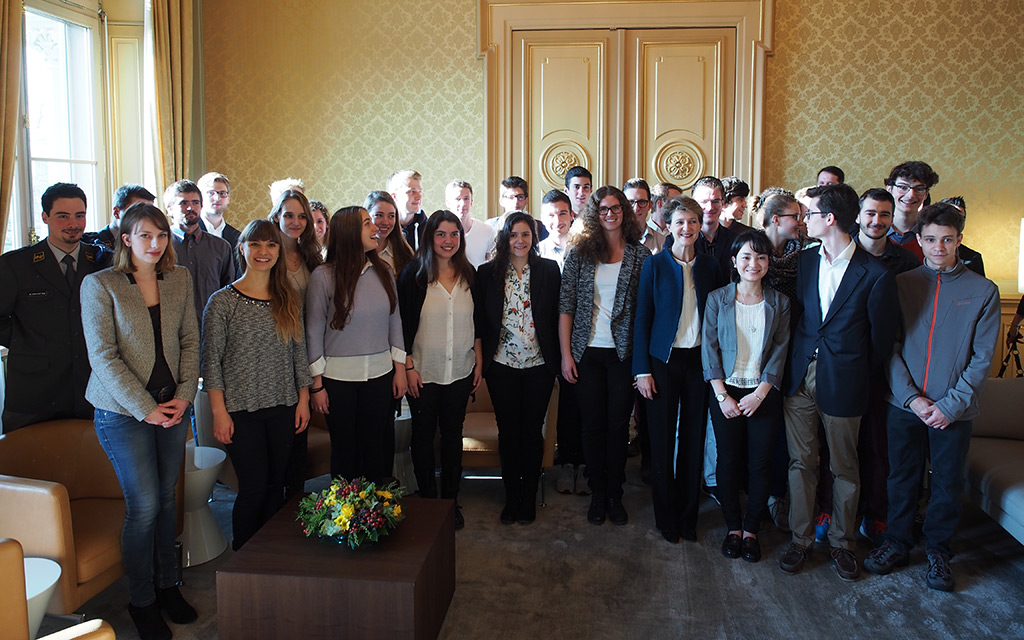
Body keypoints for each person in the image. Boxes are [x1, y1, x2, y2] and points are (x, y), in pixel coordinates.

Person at [864, 203, 1000, 592]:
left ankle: (939, 551)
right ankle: (897, 541)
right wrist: (911, 399)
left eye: (947, 240)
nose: (938, 247)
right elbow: (888, 346)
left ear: (959, 240)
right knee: (901, 477)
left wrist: (949, 405)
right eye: (930, 240)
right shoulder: (902, 283)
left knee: (946, 484)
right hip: (905, 405)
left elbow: (982, 358)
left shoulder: (983, 291)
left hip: (953, 410)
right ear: (918, 241)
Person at [80, 203, 199, 640]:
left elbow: (190, 339)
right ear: (126, 239)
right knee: (145, 505)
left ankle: (169, 586)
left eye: (161, 235)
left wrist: (185, 396)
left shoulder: (179, 278)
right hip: (122, 413)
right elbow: (103, 357)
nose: (155, 243)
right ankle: (142, 599)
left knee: (168, 500)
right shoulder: (100, 285)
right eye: (145, 235)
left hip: (174, 406)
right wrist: (144, 407)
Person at [778, 183, 898, 582]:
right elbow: (801, 316)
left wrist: (854, 372)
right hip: (800, 378)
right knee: (801, 462)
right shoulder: (807, 261)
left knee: (846, 467)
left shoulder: (876, 273)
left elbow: (881, 341)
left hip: (846, 380)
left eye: (808, 214)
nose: (802, 220)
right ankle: (800, 539)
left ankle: (843, 545)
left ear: (828, 219)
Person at [203, 219, 312, 550]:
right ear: (242, 248)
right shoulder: (223, 302)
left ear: (279, 251)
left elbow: (298, 353)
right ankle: (245, 553)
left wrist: (303, 400)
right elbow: (211, 363)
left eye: (271, 245)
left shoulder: (288, 298)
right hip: (240, 410)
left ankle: (270, 553)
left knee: (277, 484)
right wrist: (219, 414)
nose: (263, 252)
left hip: (283, 405)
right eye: (256, 244)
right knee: (253, 487)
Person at [560, 186, 650, 526]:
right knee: (592, 426)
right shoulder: (580, 253)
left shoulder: (640, 257)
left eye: (615, 208)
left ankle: (616, 492)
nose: (609, 214)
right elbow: (565, 307)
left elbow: (645, 313)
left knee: (617, 427)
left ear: (624, 212)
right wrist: (567, 354)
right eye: (602, 209)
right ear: (594, 215)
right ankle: (597, 493)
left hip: (623, 354)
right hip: (587, 353)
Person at [633, 197, 720, 543]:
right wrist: (642, 370)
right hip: (662, 363)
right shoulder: (654, 266)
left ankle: (688, 517)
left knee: (693, 440)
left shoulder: (712, 267)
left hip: (699, 362)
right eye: (680, 222)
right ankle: (665, 516)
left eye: (693, 222)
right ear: (668, 226)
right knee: (662, 439)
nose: (687, 228)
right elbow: (643, 321)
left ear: (700, 226)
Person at [702, 231, 791, 563]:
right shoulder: (717, 299)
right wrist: (722, 395)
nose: (754, 264)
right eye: (747, 257)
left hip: (762, 393)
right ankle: (732, 527)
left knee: (760, 462)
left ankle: (752, 530)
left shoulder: (779, 302)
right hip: (724, 392)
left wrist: (761, 393)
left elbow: (781, 350)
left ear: (768, 263)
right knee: (728, 460)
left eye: (761, 257)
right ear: (735, 262)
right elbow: (709, 349)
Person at [306, 206, 407, 486]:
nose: (376, 227)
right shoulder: (323, 277)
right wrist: (317, 385)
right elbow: (313, 332)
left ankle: (376, 514)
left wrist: (399, 370)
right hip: (337, 380)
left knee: (376, 449)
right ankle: (344, 517)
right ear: (349, 232)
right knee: (344, 451)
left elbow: (395, 322)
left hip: (380, 375)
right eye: (367, 223)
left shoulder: (384, 271)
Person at [474, 212, 561, 525]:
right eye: (513, 235)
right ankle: (511, 496)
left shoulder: (549, 270)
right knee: (508, 432)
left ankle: (528, 498)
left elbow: (555, 316)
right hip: (502, 367)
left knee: (531, 432)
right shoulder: (487, 273)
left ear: (533, 238)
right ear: (504, 238)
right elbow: (481, 323)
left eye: (525, 234)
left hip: (539, 365)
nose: (519, 241)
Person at [1, 182, 110, 432]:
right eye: (63, 216)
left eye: (79, 215)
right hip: (34, 392)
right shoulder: (16, 265)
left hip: (91, 389)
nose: (73, 224)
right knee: (28, 467)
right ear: (45, 217)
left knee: (92, 468)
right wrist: (26, 341)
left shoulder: (104, 262)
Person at [398, 210, 482, 530]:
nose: (448, 241)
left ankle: (450, 501)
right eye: (441, 234)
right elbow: (401, 325)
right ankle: (428, 501)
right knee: (422, 438)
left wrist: (478, 361)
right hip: (423, 371)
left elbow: (478, 325)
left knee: (452, 438)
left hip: (460, 370)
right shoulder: (413, 277)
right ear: (429, 237)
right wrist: (407, 366)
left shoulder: (469, 275)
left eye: (454, 234)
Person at [164, 180, 234, 328]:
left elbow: (229, 294)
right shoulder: (160, 246)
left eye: (195, 202)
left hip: (211, 327)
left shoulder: (221, 247)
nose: (191, 207)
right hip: (172, 329)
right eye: (183, 203)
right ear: (169, 209)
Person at [268, 189, 323, 300]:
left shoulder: (311, 254)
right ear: (276, 217)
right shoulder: (266, 255)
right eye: (289, 216)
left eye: (302, 217)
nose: (296, 222)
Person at [884, 160, 939, 256]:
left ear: (926, 194)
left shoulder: (933, 235)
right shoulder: (873, 229)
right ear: (889, 189)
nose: (911, 195)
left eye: (919, 189)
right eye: (903, 187)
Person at [83, 183, 156, 251]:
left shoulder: (152, 243)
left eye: (149, 213)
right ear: (116, 213)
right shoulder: (93, 245)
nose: (145, 219)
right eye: (136, 212)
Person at [693, 175, 735, 276]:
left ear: (723, 203)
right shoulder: (679, 240)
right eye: (704, 202)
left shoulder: (736, 240)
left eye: (715, 201)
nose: (710, 207)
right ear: (693, 204)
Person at [446, 179, 495, 267]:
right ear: (448, 202)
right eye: (458, 199)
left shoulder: (487, 230)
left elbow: (490, 265)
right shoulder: (440, 233)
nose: (463, 203)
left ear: (471, 202)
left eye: (466, 199)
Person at [365, 190, 415, 277]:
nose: (386, 222)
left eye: (391, 216)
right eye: (379, 215)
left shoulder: (404, 252)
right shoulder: (357, 252)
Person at [939, 196, 984, 276]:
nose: (955, 221)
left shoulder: (972, 258)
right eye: (950, 216)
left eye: (960, 218)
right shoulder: (921, 251)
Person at [197, 172, 241, 249]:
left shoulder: (237, 237)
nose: (217, 198)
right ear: (200, 197)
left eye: (222, 193)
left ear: (228, 198)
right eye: (211, 193)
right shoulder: (189, 231)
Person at [388, 169, 427, 251]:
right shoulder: (385, 228)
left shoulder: (428, 228)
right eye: (412, 192)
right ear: (394, 197)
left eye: (419, 192)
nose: (418, 197)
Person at [624, 177, 663, 253]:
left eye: (641, 202)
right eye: (630, 202)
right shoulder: (612, 240)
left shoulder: (662, 242)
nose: (636, 208)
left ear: (650, 205)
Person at [537, 190, 573, 270]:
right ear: (542, 218)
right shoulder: (536, 253)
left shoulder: (584, 249)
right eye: (551, 215)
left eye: (562, 214)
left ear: (571, 215)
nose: (557, 221)